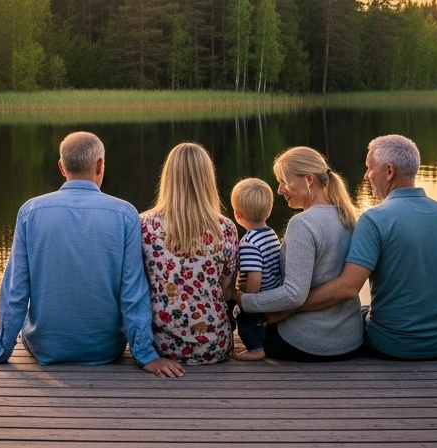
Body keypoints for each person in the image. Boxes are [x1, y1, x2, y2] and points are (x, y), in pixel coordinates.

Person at [0, 131, 184, 377]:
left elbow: (15, 290)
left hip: (45, 348)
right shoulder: (125, 214)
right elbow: (133, 294)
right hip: (105, 349)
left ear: (62, 168)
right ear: (99, 165)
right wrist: (146, 355)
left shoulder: (30, 211)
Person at [273, 134, 437, 361]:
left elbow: (347, 288)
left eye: (369, 168)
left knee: (362, 314)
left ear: (389, 171)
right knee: (362, 311)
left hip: (395, 344)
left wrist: (290, 309)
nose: (366, 176)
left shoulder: (375, 219)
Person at [238, 146, 364, 361]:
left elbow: (293, 294)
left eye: (284, 182)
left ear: (309, 180)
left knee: (254, 330)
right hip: (351, 340)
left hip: (309, 343)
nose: (279, 190)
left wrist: (244, 301)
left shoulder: (303, 223)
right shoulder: (348, 216)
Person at [139, 142, 240, 365]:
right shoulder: (225, 228)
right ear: (207, 179)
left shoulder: (144, 225)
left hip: (161, 345)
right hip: (215, 344)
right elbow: (226, 288)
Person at [228, 178, 282, 361]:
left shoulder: (249, 242)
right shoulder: (271, 233)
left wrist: (247, 298)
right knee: (262, 323)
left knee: (246, 321)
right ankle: (266, 342)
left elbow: (255, 275)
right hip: (274, 292)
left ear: (237, 214)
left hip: (260, 296)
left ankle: (256, 348)